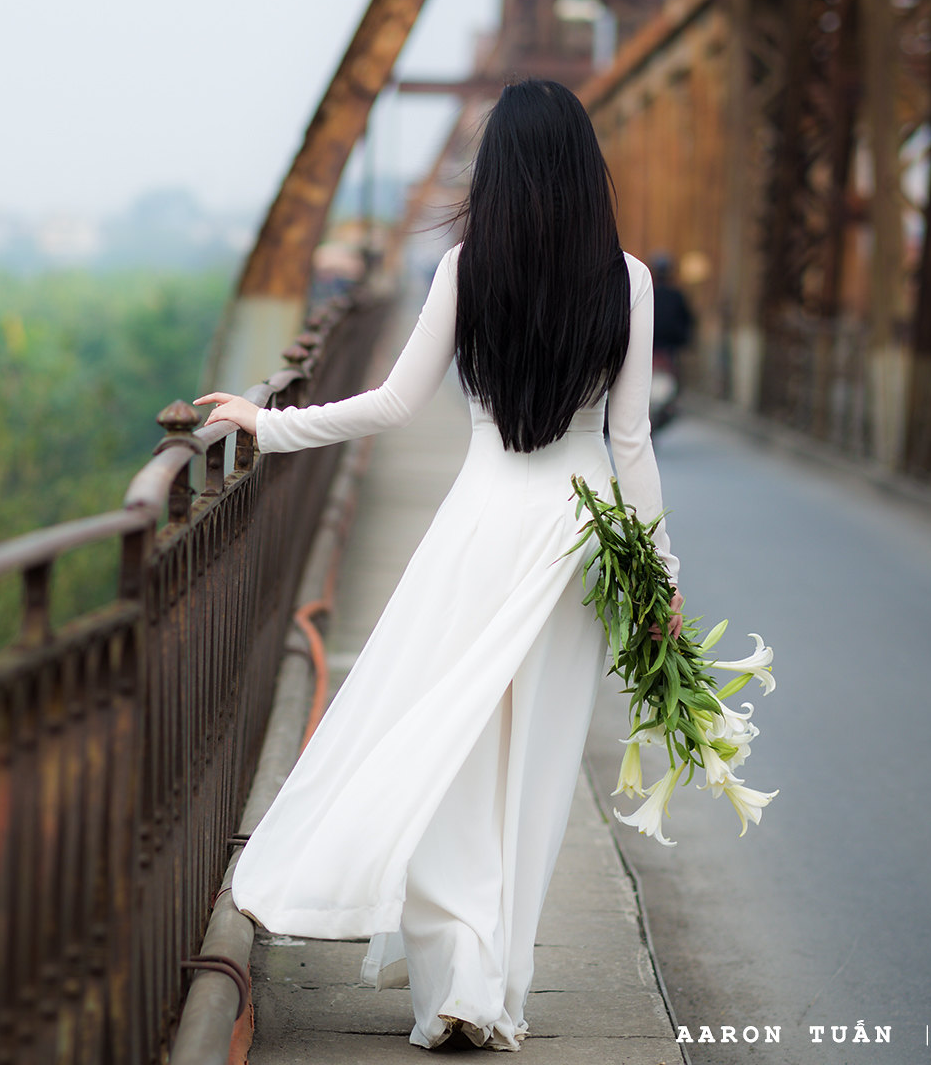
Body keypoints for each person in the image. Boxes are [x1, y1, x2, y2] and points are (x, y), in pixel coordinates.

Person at [194, 79, 680, 1052]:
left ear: (497, 172)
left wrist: (267, 423)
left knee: (450, 748)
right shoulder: (626, 279)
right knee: (536, 768)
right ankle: (495, 982)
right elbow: (629, 443)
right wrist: (659, 576)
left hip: (479, 529)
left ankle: (454, 977)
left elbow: (390, 404)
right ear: (585, 172)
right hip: (580, 541)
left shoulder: (466, 268)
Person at [646, 253, 695, 429]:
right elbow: (687, 321)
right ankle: (673, 403)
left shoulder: (647, 292)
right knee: (675, 381)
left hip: (648, 349)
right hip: (668, 350)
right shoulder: (677, 295)